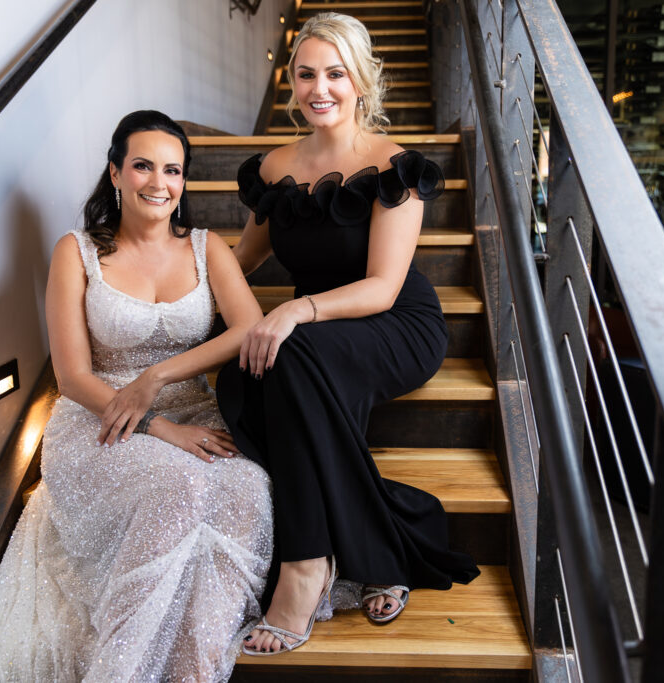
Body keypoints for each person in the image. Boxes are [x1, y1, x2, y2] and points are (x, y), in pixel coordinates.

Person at [0, 110, 272, 682]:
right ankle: (119, 670)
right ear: (116, 173)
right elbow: (74, 375)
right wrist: (156, 422)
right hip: (100, 417)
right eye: (143, 166)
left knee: (246, 487)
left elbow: (248, 330)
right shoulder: (75, 252)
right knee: (176, 487)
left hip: (192, 407)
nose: (159, 182)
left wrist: (158, 378)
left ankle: (192, 669)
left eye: (173, 170)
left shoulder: (207, 248)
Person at [215, 13, 479, 656]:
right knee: (248, 374)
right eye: (306, 73)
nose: (319, 87)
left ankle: (305, 568)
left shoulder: (395, 168)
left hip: (395, 324)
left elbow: (383, 288)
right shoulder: (274, 167)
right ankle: (384, 541)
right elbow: (241, 260)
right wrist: (168, 275)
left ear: (362, 81)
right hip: (314, 336)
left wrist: (293, 311)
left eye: (335, 73)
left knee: (285, 353)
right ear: (291, 83)